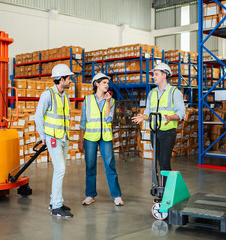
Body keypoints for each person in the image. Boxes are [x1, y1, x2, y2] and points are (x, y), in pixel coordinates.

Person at [131, 63, 185, 186]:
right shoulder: (152, 93)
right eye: (153, 74)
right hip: (154, 132)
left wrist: (171, 117)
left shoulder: (174, 92)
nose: (153, 77)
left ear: (164, 75)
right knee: (159, 160)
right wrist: (142, 117)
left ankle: (167, 190)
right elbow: (148, 112)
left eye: (156, 74)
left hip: (167, 132)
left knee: (165, 162)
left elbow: (181, 112)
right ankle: (161, 187)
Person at [78, 73, 123, 206]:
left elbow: (109, 119)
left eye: (108, 83)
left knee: (110, 165)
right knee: (90, 166)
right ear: (96, 84)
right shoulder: (87, 100)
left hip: (105, 137)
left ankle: (117, 195)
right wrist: (80, 140)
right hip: (90, 137)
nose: (107, 85)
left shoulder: (112, 101)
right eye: (104, 82)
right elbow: (83, 121)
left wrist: (108, 101)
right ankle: (90, 195)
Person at [35, 64, 74, 218]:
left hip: (64, 138)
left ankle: (55, 202)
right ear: (61, 79)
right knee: (60, 169)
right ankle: (56, 206)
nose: (70, 81)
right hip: (52, 138)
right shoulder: (48, 94)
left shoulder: (65, 96)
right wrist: (43, 136)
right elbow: (38, 116)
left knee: (60, 170)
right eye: (69, 78)